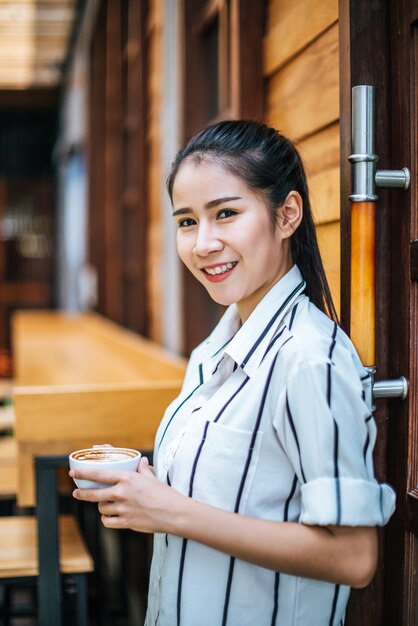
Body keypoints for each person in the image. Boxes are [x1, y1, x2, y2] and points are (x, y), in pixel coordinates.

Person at [70, 120, 396, 626]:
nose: (203, 243)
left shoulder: (309, 359)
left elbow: (353, 558)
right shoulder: (213, 349)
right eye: (186, 221)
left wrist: (170, 512)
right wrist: (148, 493)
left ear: (287, 215)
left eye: (225, 214)